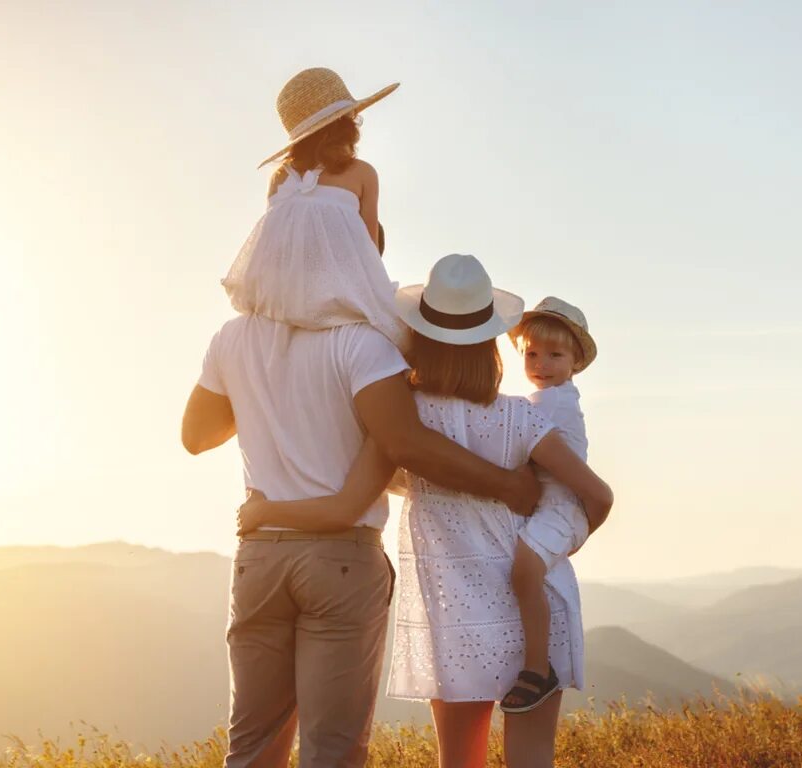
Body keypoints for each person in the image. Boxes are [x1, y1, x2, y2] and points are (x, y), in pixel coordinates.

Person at [182, 72, 543, 768]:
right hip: (339, 558)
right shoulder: (363, 344)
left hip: (260, 556)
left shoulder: (233, 340)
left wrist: (262, 394)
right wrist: (508, 485)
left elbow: (197, 437)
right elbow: (407, 442)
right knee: (333, 751)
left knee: (250, 747)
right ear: (356, 227)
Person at [238, 254, 613, 768]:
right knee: (532, 760)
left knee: (460, 760)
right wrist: (556, 543)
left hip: (456, 613)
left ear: (418, 336)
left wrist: (267, 509)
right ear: (492, 342)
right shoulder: (523, 419)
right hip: (534, 610)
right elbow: (596, 495)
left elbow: (355, 498)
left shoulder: (403, 423)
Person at [221, 67, 408, 352]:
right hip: (343, 296)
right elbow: (369, 255)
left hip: (283, 301)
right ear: (345, 124)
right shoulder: (363, 173)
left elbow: (283, 247)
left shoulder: (279, 179)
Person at [499, 297, 602, 714]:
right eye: (532, 354)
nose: (541, 364)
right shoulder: (555, 397)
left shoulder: (547, 404)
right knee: (527, 572)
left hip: (561, 507)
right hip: (555, 506)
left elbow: (512, 437)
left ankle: (537, 668)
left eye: (554, 356)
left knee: (524, 570)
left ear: (575, 362)